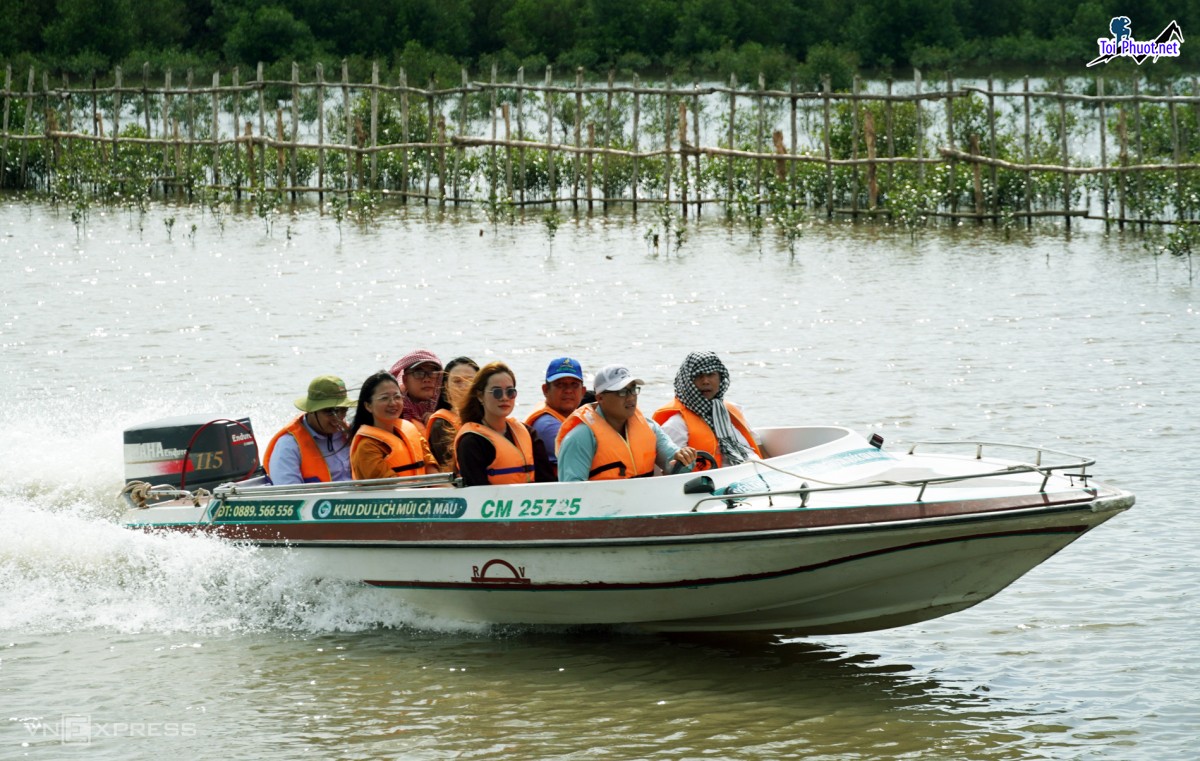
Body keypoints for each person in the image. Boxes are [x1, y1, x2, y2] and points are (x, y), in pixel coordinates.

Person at [556, 364, 698, 482]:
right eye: (622, 392)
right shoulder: (580, 437)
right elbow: (571, 493)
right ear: (600, 398)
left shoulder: (650, 427)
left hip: (644, 505)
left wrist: (685, 458)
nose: (630, 398)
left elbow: (674, 463)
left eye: (633, 390)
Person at [652, 351, 764, 467]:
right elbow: (671, 469)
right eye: (698, 376)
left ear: (720, 378)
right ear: (687, 382)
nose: (705, 381)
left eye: (711, 374)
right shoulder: (676, 424)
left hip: (755, 473)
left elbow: (758, 445)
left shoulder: (732, 411)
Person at [454, 361, 555, 486]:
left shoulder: (529, 433)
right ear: (480, 396)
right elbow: (477, 493)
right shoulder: (471, 442)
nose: (504, 398)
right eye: (497, 392)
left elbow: (547, 482)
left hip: (531, 503)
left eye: (510, 392)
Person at [263, 375, 355, 484]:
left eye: (343, 410)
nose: (338, 417)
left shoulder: (350, 435)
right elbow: (290, 496)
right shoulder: (288, 445)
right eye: (330, 411)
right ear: (310, 410)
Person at [349, 370, 439, 480]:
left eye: (397, 397)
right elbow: (391, 489)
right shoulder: (366, 448)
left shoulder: (411, 431)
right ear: (368, 406)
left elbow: (433, 474)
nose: (393, 403)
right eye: (384, 398)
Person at [524, 356, 585, 478]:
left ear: (583, 391)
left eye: (574, 384)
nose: (568, 390)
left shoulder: (574, 417)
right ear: (545, 390)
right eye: (560, 384)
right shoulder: (547, 425)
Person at [426, 356, 479, 471]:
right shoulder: (441, 425)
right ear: (446, 387)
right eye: (457, 381)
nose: (464, 386)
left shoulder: (489, 420)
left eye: (470, 381)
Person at [389, 348, 444, 425]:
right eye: (419, 373)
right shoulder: (393, 410)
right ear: (405, 380)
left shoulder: (446, 407)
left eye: (432, 373)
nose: (427, 379)